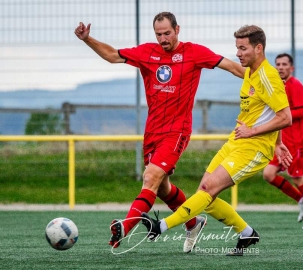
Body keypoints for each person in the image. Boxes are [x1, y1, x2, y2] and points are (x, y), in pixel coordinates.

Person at [74, 12, 247, 253]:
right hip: (152, 131)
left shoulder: (193, 52)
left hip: (177, 131)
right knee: (163, 188)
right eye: (159, 34)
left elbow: (231, 66)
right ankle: (193, 223)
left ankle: (125, 227)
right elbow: (113, 56)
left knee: (150, 177)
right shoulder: (147, 53)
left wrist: (259, 81)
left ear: (178, 29)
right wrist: (87, 39)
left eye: (167, 33)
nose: (163, 38)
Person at [141, 24, 293, 255]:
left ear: (258, 48)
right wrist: (279, 142)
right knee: (206, 193)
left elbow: (285, 117)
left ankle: (160, 226)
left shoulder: (268, 76)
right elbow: (271, 110)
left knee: (209, 189)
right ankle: (246, 232)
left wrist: (259, 135)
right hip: (236, 141)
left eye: (243, 48)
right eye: (237, 48)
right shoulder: (251, 72)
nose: (238, 53)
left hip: (255, 148)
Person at [262, 53, 303, 229]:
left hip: (298, 143)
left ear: (291, 68)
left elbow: (300, 113)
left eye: (284, 64)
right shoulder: (278, 86)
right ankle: (301, 199)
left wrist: (279, 113)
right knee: (268, 174)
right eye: (278, 64)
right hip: (284, 144)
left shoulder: (295, 85)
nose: (281, 67)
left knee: (299, 180)